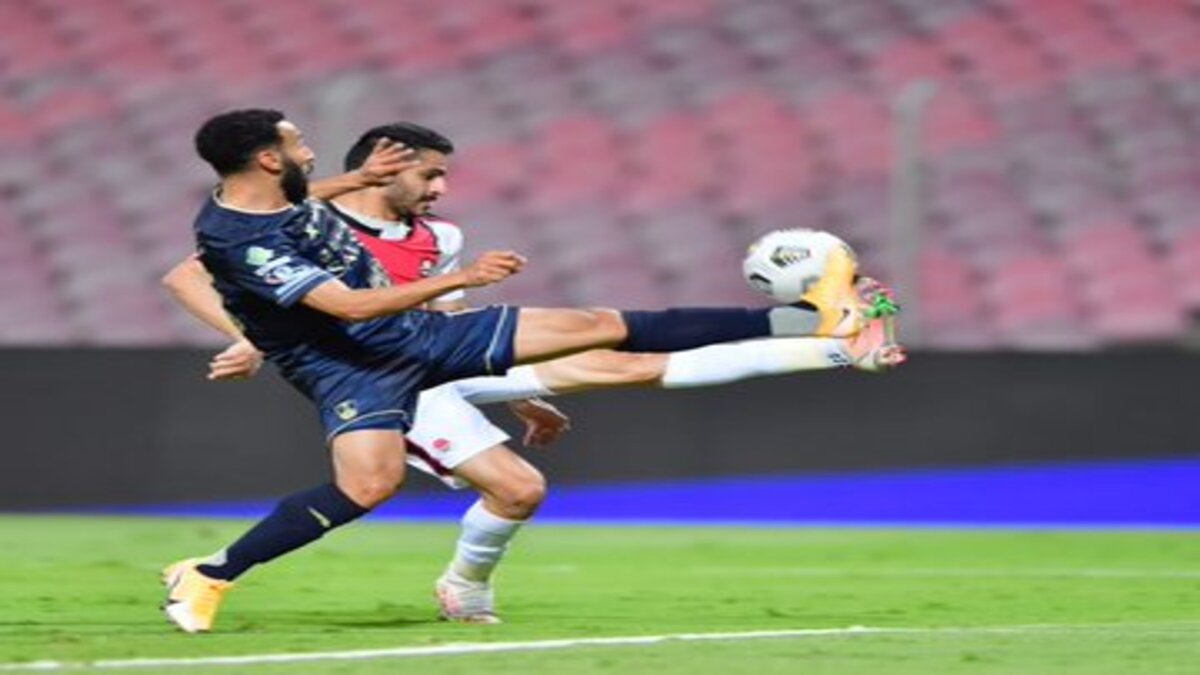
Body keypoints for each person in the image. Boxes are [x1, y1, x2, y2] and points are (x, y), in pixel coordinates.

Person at [162, 108, 879, 633]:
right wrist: (461, 277)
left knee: (597, 328)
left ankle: (815, 317)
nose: (307, 149)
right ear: (265, 157)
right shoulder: (239, 239)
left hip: (416, 334)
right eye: (295, 143)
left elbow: (295, 202)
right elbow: (346, 306)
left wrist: (360, 177)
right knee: (369, 483)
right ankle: (210, 572)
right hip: (348, 363)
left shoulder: (261, 195)